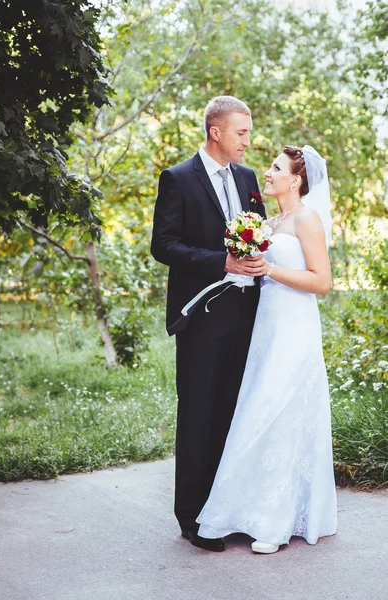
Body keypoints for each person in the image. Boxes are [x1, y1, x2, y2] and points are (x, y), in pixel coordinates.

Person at [196, 145, 337, 553]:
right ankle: (246, 510)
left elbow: (322, 282)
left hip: (295, 326)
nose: (268, 172)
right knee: (257, 407)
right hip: (267, 324)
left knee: (283, 410)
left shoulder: (307, 219)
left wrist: (270, 268)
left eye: (276, 167)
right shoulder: (270, 220)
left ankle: (275, 523)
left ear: (296, 178)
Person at [151, 96, 266, 552]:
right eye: (241, 132)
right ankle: (193, 518)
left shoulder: (249, 178)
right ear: (215, 131)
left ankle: (224, 511)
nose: (247, 141)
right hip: (201, 315)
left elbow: (256, 229)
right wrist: (223, 263)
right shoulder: (178, 178)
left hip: (247, 314)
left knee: (231, 413)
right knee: (198, 414)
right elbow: (164, 246)